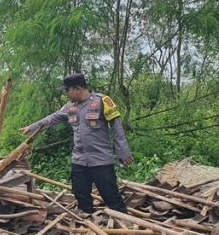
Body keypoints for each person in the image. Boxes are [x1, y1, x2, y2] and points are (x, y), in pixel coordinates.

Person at [20, 73, 134, 215]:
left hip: (100, 159)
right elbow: (52, 118)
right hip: (79, 159)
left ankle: (122, 221)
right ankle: (87, 221)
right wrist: (32, 127)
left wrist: (123, 152)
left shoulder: (102, 101)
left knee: (110, 194)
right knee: (80, 194)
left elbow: (117, 127)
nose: (66, 94)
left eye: (67, 90)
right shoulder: (70, 107)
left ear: (77, 89)